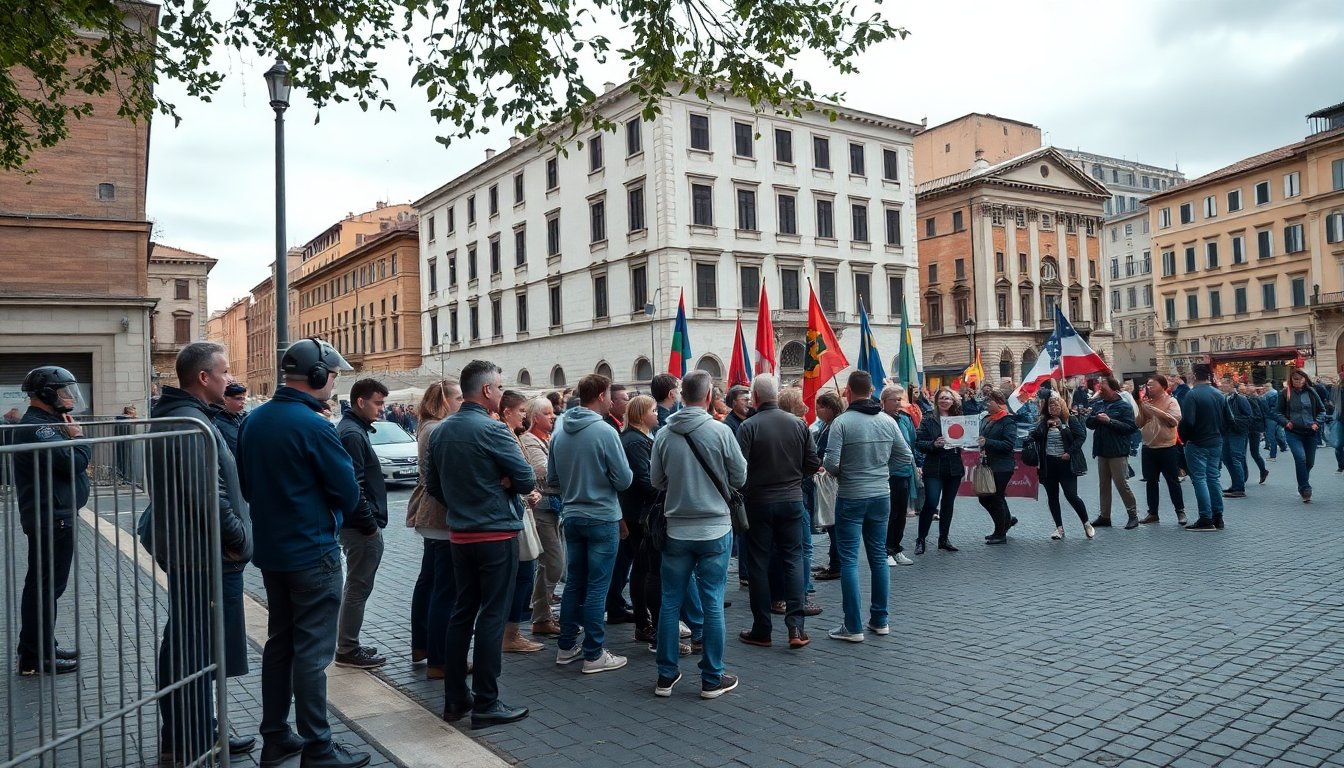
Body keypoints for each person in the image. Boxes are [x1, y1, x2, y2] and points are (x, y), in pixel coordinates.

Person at [237, 338, 369, 768]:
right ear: (317, 376)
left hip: (273, 553)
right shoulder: (314, 426)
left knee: (281, 647)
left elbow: (247, 486)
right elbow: (348, 492)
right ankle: (319, 748)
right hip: (313, 554)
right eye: (332, 376)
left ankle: (276, 736)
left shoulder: (253, 421)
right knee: (312, 655)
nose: (334, 383)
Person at [148, 342, 255, 761]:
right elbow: (207, 496)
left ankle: (194, 732)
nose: (231, 379)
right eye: (225, 372)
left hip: (197, 551)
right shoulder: (189, 422)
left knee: (188, 645)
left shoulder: (187, 417)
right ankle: (191, 737)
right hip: (203, 555)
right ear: (204, 378)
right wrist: (238, 540)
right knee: (192, 651)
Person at [426, 359, 534, 729]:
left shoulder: (440, 431)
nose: (502, 393)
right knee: (491, 614)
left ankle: (456, 698)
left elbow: (434, 486)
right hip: (495, 533)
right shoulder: (493, 430)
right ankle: (487, 701)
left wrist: (463, 501)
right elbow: (524, 477)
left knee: (462, 612)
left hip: (460, 533)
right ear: (487, 390)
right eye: (500, 387)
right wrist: (498, 485)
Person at [650, 369, 745, 699]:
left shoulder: (664, 434)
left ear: (682, 395)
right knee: (712, 602)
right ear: (708, 396)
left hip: (677, 528)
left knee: (670, 603)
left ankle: (666, 675)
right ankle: (711, 677)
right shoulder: (719, 432)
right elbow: (740, 476)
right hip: (715, 526)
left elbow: (656, 481)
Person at [547, 374, 634, 674]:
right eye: (610, 394)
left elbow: (553, 479)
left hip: (572, 515)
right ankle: (594, 653)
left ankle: (566, 645)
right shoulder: (605, 431)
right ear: (600, 395)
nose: (612, 400)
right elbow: (624, 479)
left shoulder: (560, 431)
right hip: (601, 516)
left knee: (575, 583)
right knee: (598, 587)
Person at [12, 366, 89, 677]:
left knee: (44, 587)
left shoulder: (48, 423)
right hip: (50, 518)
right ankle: (36, 656)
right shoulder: (39, 428)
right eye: (62, 391)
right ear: (45, 395)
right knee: (45, 589)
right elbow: (76, 463)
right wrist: (80, 439)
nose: (69, 397)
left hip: (53, 515)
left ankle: (39, 647)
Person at [823, 371, 909, 642]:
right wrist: (882, 471)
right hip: (880, 495)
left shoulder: (842, 422)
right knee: (878, 557)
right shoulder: (887, 420)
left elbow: (831, 463)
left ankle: (853, 625)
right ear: (872, 389)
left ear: (848, 391)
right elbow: (904, 456)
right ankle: (880, 619)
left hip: (851, 495)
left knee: (849, 560)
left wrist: (846, 473)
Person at [736, 374, 820, 650]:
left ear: (756, 398)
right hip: (792, 499)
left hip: (758, 502)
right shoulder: (798, 424)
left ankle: (763, 628)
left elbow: (739, 470)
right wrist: (796, 479)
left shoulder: (748, 426)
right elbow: (812, 462)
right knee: (793, 560)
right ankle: (796, 627)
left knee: (758, 564)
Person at [333, 378, 390, 670]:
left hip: (357, 525)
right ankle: (347, 648)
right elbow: (354, 485)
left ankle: (348, 643)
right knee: (358, 587)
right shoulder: (352, 433)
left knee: (356, 586)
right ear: (360, 402)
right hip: (359, 528)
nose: (381, 409)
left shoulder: (352, 429)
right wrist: (369, 524)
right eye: (377, 403)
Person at [407, 381, 462, 679]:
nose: (461, 402)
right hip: (440, 516)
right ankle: (439, 660)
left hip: (432, 515)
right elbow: (438, 476)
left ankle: (424, 647)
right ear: (443, 401)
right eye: (458, 397)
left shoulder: (427, 426)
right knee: (444, 588)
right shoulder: (436, 429)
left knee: (429, 581)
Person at [499, 390, 544, 654]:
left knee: (523, 571)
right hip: (514, 510)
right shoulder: (504, 434)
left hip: (520, 505)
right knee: (522, 572)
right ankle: (510, 633)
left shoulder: (513, 435)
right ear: (508, 412)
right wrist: (524, 487)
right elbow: (516, 473)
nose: (524, 416)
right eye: (521, 411)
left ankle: (511, 631)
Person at [521, 397, 563, 638]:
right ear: (535, 417)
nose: (553, 416)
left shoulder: (547, 439)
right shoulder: (530, 441)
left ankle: (542, 614)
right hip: (542, 509)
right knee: (554, 563)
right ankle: (541, 616)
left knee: (548, 563)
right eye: (547, 413)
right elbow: (544, 471)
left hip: (552, 507)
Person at [620, 395, 660, 643]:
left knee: (643, 567)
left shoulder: (641, 439)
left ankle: (645, 620)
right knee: (644, 569)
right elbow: (642, 480)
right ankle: (644, 622)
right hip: (640, 514)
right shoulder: (635, 442)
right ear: (641, 414)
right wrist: (666, 489)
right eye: (653, 410)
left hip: (640, 511)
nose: (657, 414)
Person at [1029, 391, 1093, 539]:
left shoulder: (1069, 419)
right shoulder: (1043, 421)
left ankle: (1086, 523)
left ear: (1062, 406)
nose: (1053, 407)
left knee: (1071, 495)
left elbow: (1080, 437)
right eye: (1050, 405)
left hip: (1066, 463)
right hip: (1048, 464)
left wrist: (1069, 450)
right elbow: (1034, 436)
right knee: (1052, 497)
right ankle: (1059, 528)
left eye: (1056, 404)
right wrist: (1041, 429)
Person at [913, 387, 964, 554]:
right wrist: (933, 444)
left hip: (953, 466)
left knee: (948, 504)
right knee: (931, 502)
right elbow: (919, 443)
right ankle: (921, 539)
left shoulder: (959, 419)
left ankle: (944, 538)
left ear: (953, 401)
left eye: (948, 399)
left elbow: (966, 440)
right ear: (936, 401)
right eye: (942, 398)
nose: (944, 401)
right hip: (934, 465)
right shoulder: (928, 419)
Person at [1177, 364, 1227, 530]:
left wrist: (1184, 438)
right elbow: (1229, 420)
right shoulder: (1219, 394)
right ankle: (1218, 516)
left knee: (1199, 479)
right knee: (1213, 477)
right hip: (1215, 440)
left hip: (1197, 442)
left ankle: (1205, 517)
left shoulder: (1193, 395)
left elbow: (1188, 421)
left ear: (1194, 376)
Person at [1085, 376, 1139, 530]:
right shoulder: (1099, 404)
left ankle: (1133, 515)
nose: (1100, 391)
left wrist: (1110, 421)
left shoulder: (1123, 406)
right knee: (1103, 485)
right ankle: (1105, 516)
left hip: (1117, 451)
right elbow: (1089, 423)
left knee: (1121, 484)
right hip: (1102, 450)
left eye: (1104, 389)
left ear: (1114, 389)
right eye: (1100, 389)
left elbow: (1130, 428)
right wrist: (1096, 418)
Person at [1135, 376, 1185, 526]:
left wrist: (1155, 410)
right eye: (1147, 385)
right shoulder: (1146, 403)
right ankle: (1153, 513)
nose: (1149, 388)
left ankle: (1180, 511)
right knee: (1151, 481)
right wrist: (1142, 409)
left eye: (1152, 385)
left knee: (1172, 481)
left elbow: (1173, 421)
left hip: (1167, 448)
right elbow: (1138, 423)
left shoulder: (1171, 401)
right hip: (1149, 448)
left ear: (1163, 386)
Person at [1272, 369, 1327, 503]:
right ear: (1291, 380)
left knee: (1310, 462)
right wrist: (1286, 422)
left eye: (1301, 379)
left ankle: (1302, 482)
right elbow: (1277, 412)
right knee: (1300, 458)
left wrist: (1317, 423)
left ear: (1305, 379)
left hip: (1311, 432)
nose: (1298, 381)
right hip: (1293, 432)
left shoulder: (1312, 392)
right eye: (1295, 379)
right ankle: (1305, 488)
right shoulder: (1285, 393)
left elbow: (1322, 411)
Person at [878, 386, 916, 566]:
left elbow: (912, 443)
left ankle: (895, 547)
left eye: (900, 400)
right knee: (889, 514)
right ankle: (885, 550)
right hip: (886, 473)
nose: (898, 404)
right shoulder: (879, 420)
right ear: (883, 402)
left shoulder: (905, 420)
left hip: (904, 472)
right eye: (894, 400)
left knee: (901, 513)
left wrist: (918, 465)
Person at [811, 391, 846, 580]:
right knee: (832, 524)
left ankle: (836, 565)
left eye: (820, 408)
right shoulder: (827, 425)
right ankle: (833, 561)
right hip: (826, 478)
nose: (817, 412)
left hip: (832, 479)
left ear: (829, 408)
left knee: (834, 523)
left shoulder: (835, 426)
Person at [976, 389, 1019, 545]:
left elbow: (1008, 445)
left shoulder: (1008, 421)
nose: (987, 404)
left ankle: (1000, 532)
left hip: (1002, 465)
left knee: (995, 497)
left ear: (999, 402)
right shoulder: (988, 419)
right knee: (986, 497)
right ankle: (1005, 522)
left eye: (989, 401)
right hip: (989, 464)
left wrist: (987, 442)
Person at [1217, 377, 1254, 499]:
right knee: (1226, 458)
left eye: (1225, 383)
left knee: (1236, 458)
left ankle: (1239, 488)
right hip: (1226, 431)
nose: (1222, 385)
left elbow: (1249, 416)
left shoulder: (1240, 399)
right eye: (1222, 383)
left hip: (1237, 431)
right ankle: (1235, 484)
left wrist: (1237, 423)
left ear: (1232, 385)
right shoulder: (1223, 398)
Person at [1240, 383, 1270, 486]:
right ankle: (1247, 475)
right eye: (1247, 386)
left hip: (1251, 428)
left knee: (1250, 453)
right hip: (1253, 428)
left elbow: (1259, 414)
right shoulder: (1253, 398)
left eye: (1249, 386)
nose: (1247, 388)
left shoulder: (1254, 399)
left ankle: (1245, 476)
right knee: (1251, 453)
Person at [210, 382, 248, 459]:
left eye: (244, 398)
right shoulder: (217, 419)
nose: (243, 402)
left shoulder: (241, 415)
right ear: (226, 398)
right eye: (238, 398)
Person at [1262, 382, 1285, 461]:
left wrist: (1268, 414)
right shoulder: (1276, 393)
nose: (1264, 388)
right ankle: (1282, 447)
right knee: (1277, 434)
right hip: (1276, 417)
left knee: (1271, 436)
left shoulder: (1268, 395)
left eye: (1265, 387)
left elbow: (1267, 408)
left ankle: (1273, 455)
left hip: (1270, 418)